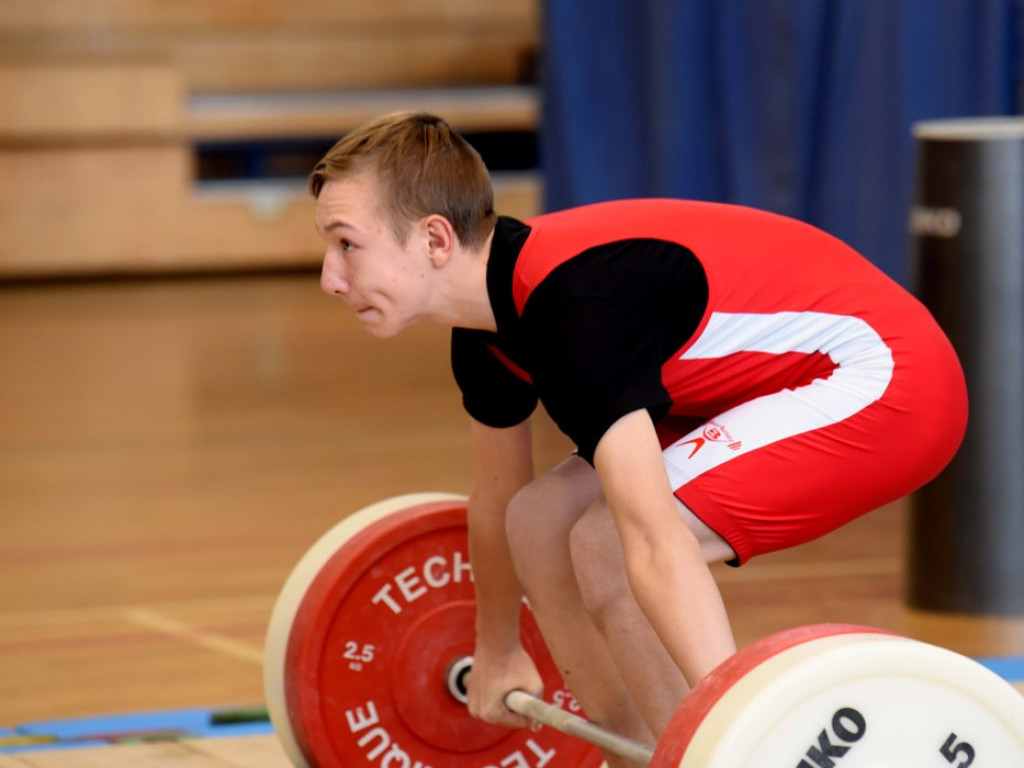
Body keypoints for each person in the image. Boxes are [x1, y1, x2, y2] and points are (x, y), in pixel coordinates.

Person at [311, 112, 967, 767]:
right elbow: (498, 500)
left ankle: (714, 749)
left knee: (609, 542)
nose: (329, 277)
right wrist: (497, 649)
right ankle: (642, 754)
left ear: (434, 239)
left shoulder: (577, 308)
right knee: (539, 519)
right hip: (742, 386)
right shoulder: (486, 334)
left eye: (347, 245)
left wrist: (739, 724)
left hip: (887, 380)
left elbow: (654, 541)